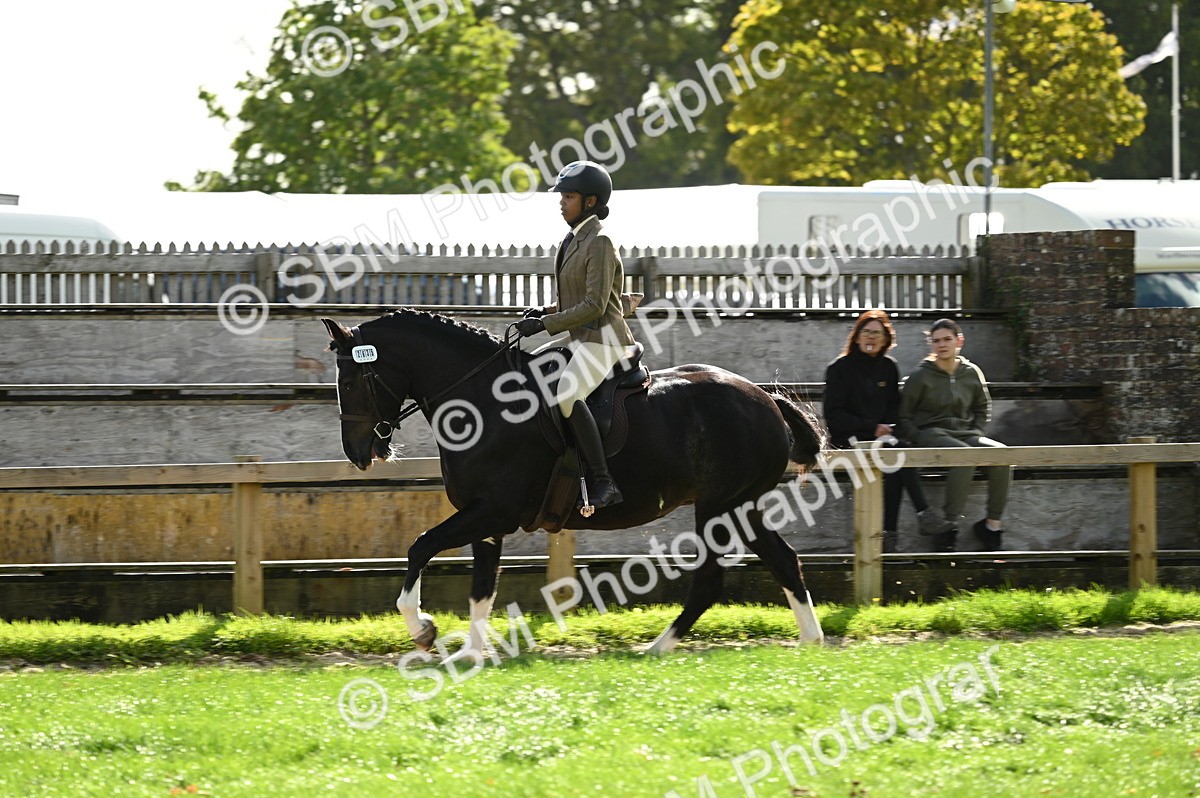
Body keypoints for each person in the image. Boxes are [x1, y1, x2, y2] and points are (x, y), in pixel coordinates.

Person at [514, 160, 639, 511]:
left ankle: (603, 480)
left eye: (568, 196)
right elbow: (572, 300)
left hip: (604, 340)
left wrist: (544, 326)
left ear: (589, 201)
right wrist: (545, 312)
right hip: (579, 339)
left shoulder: (599, 240)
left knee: (567, 394)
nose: (561, 202)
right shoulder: (574, 240)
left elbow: (595, 307)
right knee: (530, 368)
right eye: (562, 196)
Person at [823, 310, 956, 553]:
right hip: (849, 440)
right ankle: (920, 515)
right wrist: (872, 428)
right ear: (857, 336)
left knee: (895, 458)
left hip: (881, 441)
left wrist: (888, 428)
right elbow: (834, 416)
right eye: (866, 332)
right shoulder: (839, 369)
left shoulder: (889, 367)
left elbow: (894, 407)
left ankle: (889, 537)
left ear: (886, 340)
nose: (871, 337)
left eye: (877, 333)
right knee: (896, 453)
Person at [896, 318, 1012, 552]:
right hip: (931, 433)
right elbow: (902, 415)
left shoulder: (971, 372)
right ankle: (948, 527)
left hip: (966, 433)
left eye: (947, 339)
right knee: (964, 456)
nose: (941, 345)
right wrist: (916, 435)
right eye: (936, 341)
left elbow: (982, 407)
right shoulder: (921, 376)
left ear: (959, 341)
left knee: (1002, 455)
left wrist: (978, 431)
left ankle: (991, 525)